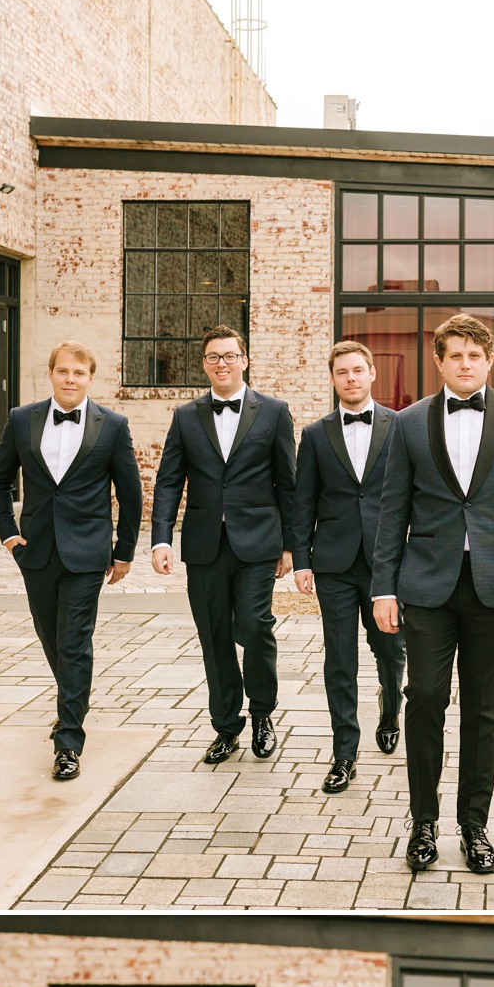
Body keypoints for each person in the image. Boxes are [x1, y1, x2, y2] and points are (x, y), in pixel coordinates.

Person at [371, 312, 494, 876]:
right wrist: (383, 585)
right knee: (425, 697)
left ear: (490, 358)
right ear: (439, 361)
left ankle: (473, 824)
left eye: (474, 356)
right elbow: (392, 511)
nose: (465, 364)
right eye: (454, 355)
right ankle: (423, 821)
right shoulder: (407, 423)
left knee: (484, 709)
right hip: (425, 583)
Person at [0, 340, 141, 782]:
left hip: (88, 553)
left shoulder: (111, 425)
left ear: (91, 378)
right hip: (34, 551)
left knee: (74, 641)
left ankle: (69, 740)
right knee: (51, 638)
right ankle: (73, 699)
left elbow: (130, 493)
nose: (70, 379)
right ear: (50, 374)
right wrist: (8, 534)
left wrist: (124, 551)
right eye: (63, 371)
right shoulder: (22, 420)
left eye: (79, 373)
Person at [150, 325, 297, 767]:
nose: (221, 363)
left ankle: (263, 714)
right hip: (204, 545)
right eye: (213, 356)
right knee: (214, 637)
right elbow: (169, 481)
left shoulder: (273, 412)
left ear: (245, 360)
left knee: (254, 626)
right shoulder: (186, 416)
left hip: (258, 543)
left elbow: (288, 484)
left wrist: (292, 545)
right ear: (204, 364)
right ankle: (226, 727)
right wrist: (161, 538)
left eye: (230, 356)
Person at [292, 340, 405, 793]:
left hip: (385, 562)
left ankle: (391, 707)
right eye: (343, 372)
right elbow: (304, 502)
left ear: (372, 373)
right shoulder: (316, 435)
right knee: (339, 658)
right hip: (334, 562)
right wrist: (302, 559)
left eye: (358, 370)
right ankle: (344, 752)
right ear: (334, 378)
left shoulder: (400, 426)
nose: (351, 378)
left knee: (391, 651)